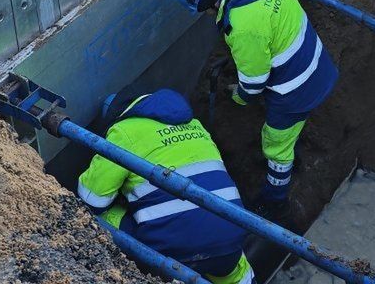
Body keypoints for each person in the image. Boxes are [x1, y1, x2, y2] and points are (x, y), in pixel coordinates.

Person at [172, 0, 337, 217]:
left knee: (276, 145)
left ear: (205, 5)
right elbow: (267, 29)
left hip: (296, 89)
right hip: (314, 59)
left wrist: (237, 97)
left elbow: (254, 84)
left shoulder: (242, 26)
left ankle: (274, 200)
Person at [77, 89, 254, 284]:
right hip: (230, 238)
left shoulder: (124, 131)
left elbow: (92, 199)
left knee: (96, 217)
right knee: (230, 261)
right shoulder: (196, 126)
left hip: (173, 246)